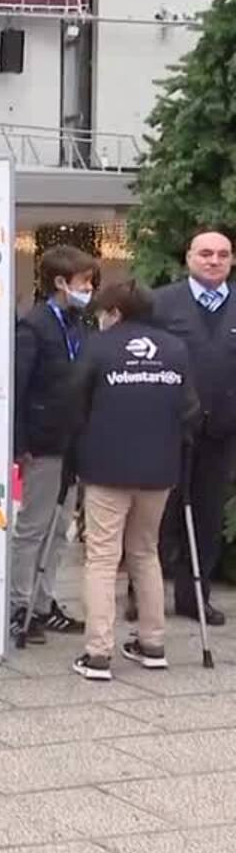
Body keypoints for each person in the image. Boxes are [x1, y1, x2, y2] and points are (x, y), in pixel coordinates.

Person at [65, 281, 197, 680]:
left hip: (107, 467)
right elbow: (191, 410)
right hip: (159, 469)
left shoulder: (99, 347)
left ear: (115, 312)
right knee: (145, 552)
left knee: (103, 558)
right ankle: (152, 643)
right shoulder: (175, 349)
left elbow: (74, 403)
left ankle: (98, 652)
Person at [9, 245, 99, 643]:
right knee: (33, 526)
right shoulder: (34, 326)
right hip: (42, 444)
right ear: (61, 282)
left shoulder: (82, 324)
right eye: (84, 282)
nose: (90, 289)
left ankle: (44, 603)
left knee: (60, 527)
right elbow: (19, 388)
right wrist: (20, 443)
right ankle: (19, 605)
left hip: (75, 443)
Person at [151, 229, 236, 626]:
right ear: (189, 257)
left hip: (222, 431)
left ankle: (194, 597)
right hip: (167, 429)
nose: (213, 260)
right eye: (205, 253)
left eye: (222, 254)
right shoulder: (162, 303)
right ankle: (144, 594)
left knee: (206, 515)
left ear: (231, 261)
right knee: (158, 514)